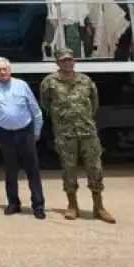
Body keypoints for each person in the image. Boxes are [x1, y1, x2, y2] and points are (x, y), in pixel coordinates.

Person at [39, 48, 116, 224]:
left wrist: (83, 118)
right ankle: (72, 205)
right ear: (58, 63)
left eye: (70, 60)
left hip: (87, 131)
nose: (68, 63)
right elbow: (46, 104)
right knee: (69, 169)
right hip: (65, 133)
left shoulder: (85, 81)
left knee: (95, 168)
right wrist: (62, 118)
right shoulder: (49, 82)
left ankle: (99, 207)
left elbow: (94, 103)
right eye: (64, 60)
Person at [0, 57, 46, 219]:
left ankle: (38, 205)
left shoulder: (22, 85)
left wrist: (37, 130)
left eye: (4, 69)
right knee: (10, 171)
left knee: (32, 170)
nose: (2, 72)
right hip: (5, 134)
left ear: (10, 70)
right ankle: (13, 203)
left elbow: (35, 109)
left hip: (25, 133)